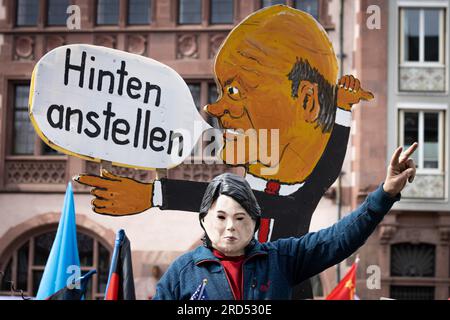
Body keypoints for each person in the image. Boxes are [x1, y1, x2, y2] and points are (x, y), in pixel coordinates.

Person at [75, 5, 374, 298]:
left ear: (308, 102)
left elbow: (323, 172)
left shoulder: (296, 204)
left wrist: (343, 112)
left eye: (234, 91)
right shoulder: (188, 270)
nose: (212, 108)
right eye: (219, 218)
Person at [152, 143, 417, 300]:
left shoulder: (280, 258)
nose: (230, 226)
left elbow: (339, 238)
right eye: (221, 217)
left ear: (255, 223)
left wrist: (385, 193)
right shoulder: (182, 273)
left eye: (240, 218)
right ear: (204, 219)